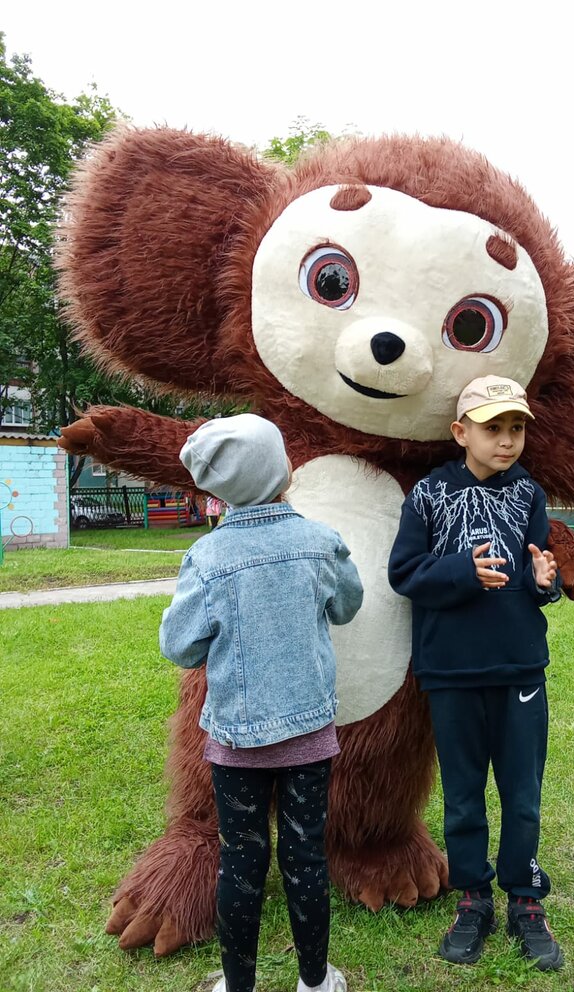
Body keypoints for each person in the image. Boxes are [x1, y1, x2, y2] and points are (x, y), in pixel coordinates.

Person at [160, 414, 363, 992]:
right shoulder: (320, 542)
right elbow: (348, 606)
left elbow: (179, 645)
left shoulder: (207, 557)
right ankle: (314, 981)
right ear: (283, 471)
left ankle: (237, 985)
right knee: (306, 858)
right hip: (309, 736)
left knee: (241, 862)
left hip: (236, 741)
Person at [388, 376, 564, 971]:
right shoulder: (429, 494)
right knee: (464, 799)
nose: (507, 441)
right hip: (451, 670)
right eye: (493, 429)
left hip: (520, 667)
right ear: (461, 432)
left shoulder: (529, 494)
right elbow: (404, 573)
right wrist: (463, 571)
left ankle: (525, 899)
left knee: (522, 795)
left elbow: (538, 571)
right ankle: (473, 899)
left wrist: (545, 583)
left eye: (516, 428)